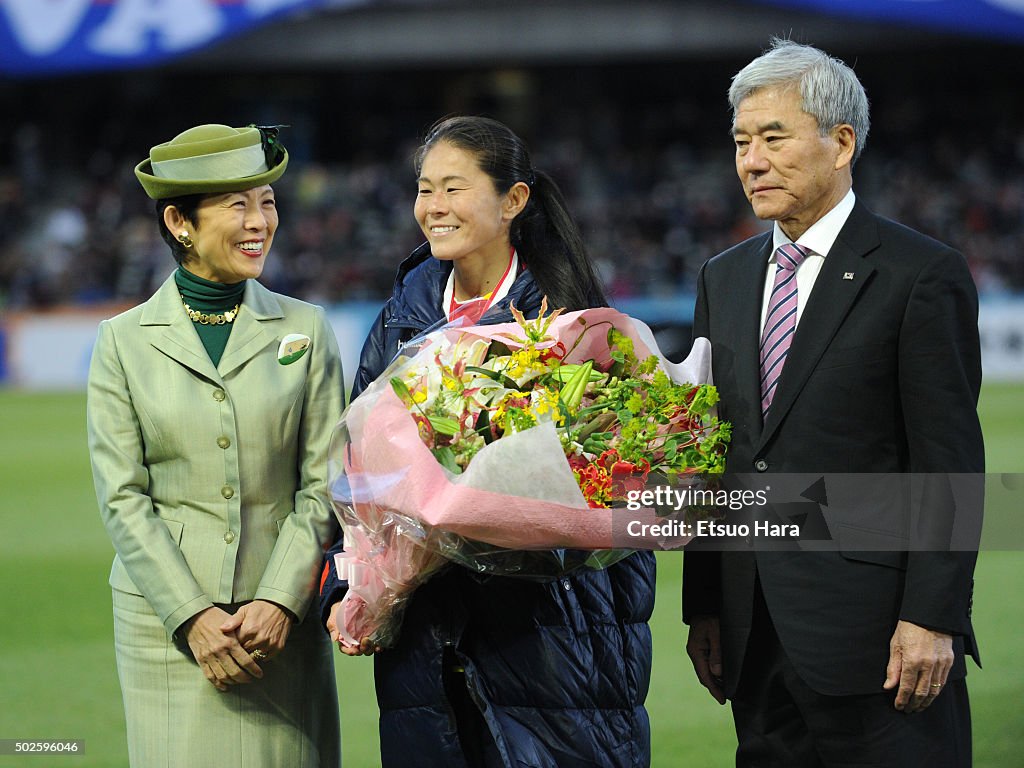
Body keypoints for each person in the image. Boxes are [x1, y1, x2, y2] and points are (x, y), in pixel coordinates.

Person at [682, 39, 984, 767]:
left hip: (879, 644)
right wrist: (707, 603)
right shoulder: (722, 279)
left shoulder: (920, 275)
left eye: (773, 139)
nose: (751, 161)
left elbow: (947, 460)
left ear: (841, 141)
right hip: (754, 640)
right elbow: (713, 452)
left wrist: (931, 617)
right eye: (741, 142)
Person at [319, 115, 656, 768]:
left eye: (453, 188)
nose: (433, 207)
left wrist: (499, 523)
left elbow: (624, 495)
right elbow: (356, 481)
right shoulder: (399, 320)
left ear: (513, 201)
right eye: (424, 189)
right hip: (426, 652)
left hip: (559, 646)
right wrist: (354, 582)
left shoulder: (570, 318)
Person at [87, 124, 343, 767]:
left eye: (268, 201)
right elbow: (122, 497)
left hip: (277, 633)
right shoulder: (122, 341)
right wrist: (191, 615)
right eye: (238, 204)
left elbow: (326, 482)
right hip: (167, 634)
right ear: (180, 222)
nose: (261, 221)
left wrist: (282, 598)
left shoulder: (307, 328)